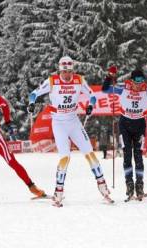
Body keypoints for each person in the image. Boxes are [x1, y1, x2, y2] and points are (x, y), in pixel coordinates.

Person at [28, 56, 112, 207]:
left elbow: (92, 95)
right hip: (58, 123)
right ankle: (58, 192)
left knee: (89, 153)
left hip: (73, 121)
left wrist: (90, 105)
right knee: (65, 157)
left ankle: (103, 187)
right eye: (64, 72)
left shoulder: (79, 80)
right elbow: (34, 93)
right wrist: (32, 103)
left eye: (69, 71)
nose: (67, 75)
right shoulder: (52, 81)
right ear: (60, 70)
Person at [102, 66, 147, 200]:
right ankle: (129, 184)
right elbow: (105, 89)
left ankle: (139, 184)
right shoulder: (123, 87)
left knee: (138, 155)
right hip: (125, 124)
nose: (139, 85)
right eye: (136, 82)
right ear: (131, 81)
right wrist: (110, 76)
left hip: (139, 124)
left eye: (141, 82)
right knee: (127, 154)